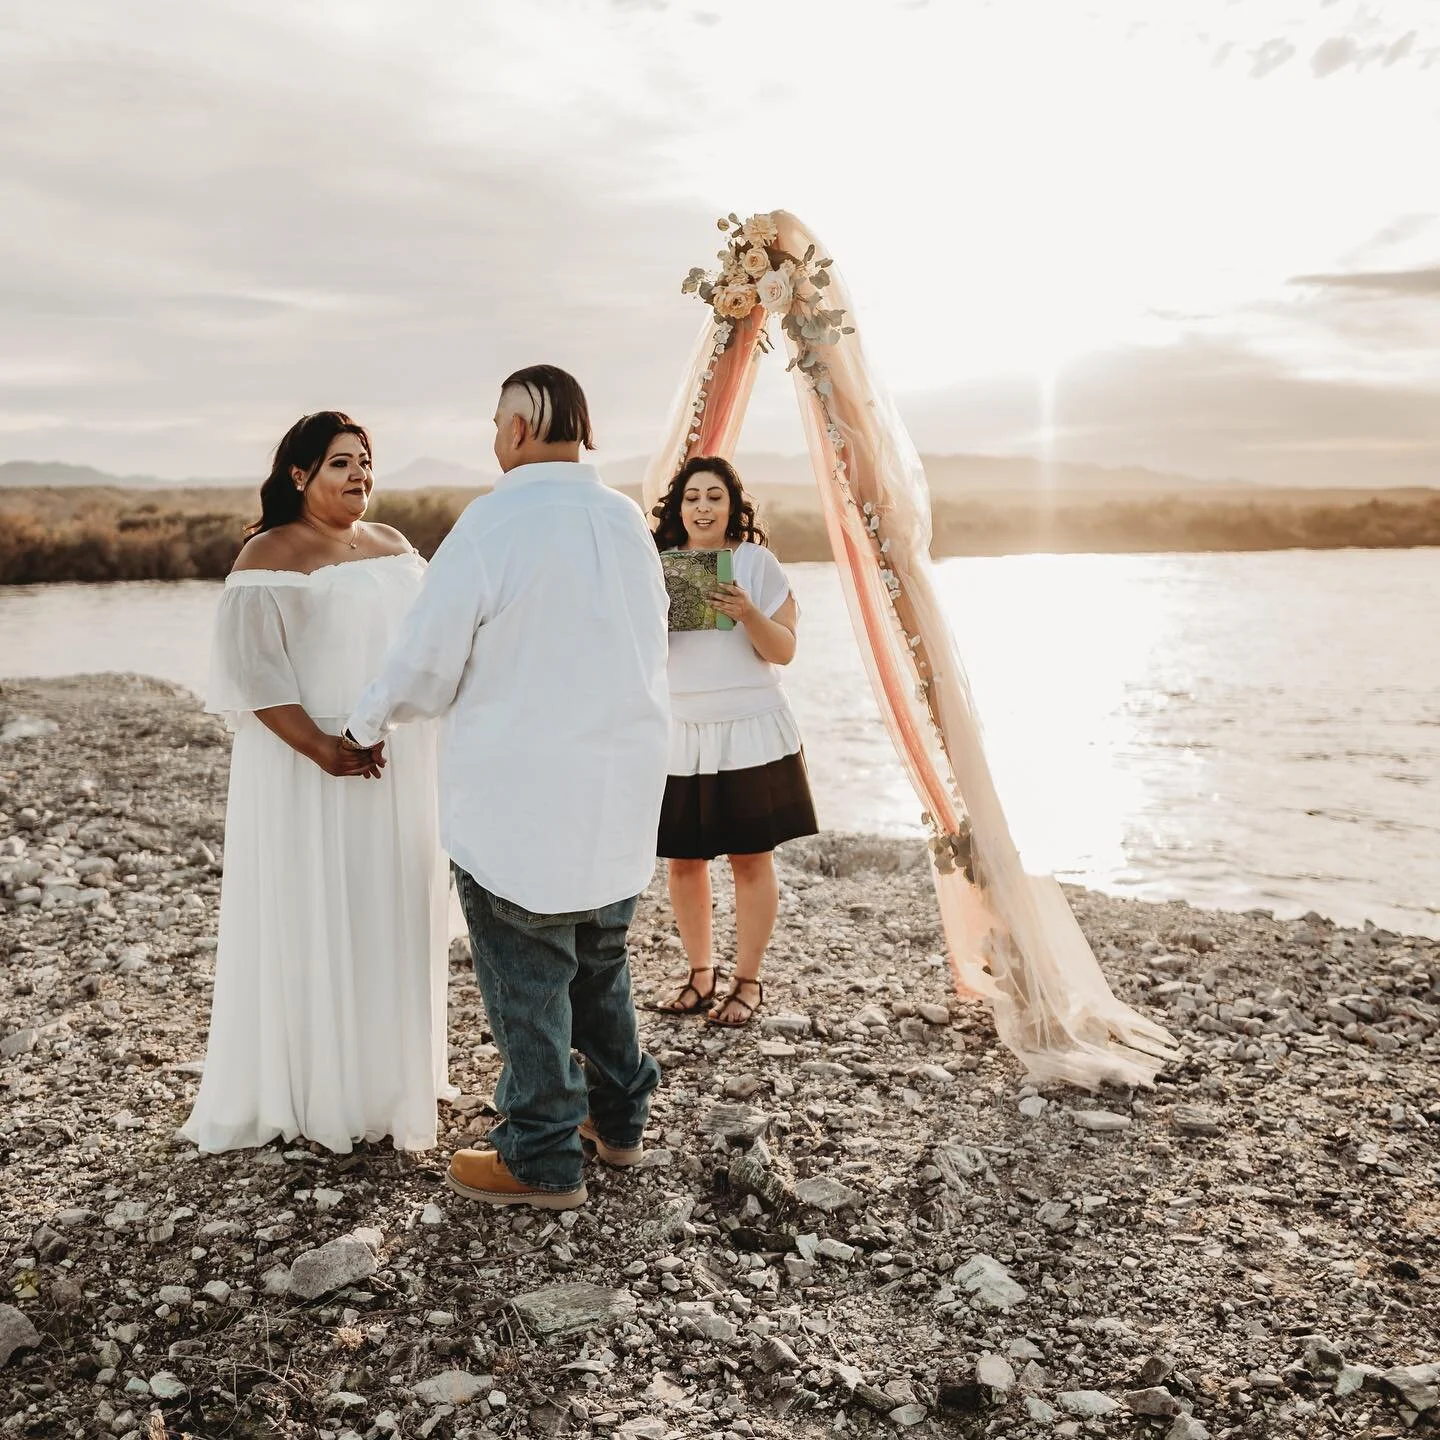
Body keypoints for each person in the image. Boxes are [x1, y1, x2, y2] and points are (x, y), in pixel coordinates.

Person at [345, 365, 670, 1211]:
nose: (494, 440)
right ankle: (620, 1119)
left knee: (526, 978)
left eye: (496, 424)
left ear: (521, 428)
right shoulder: (625, 519)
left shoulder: (495, 522)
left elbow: (425, 659)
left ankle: (540, 1154)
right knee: (600, 962)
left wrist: (366, 721)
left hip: (522, 793)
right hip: (620, 789)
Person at [180, 412, 454, 1154]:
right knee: (317, 907)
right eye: (340, 463)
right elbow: (253, 672)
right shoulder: (269, 553)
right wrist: (317, 746)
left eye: (365, 460)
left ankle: (388, 1079)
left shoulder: (396, 546)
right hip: (308, 763)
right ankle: (313, 1088)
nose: (359, 474)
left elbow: (434, 641)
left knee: (386, 905)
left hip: (393, 765)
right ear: (298, 475)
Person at [648, 456, 819, 1026]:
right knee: (682, 862)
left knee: (750, 858)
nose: (702, 507)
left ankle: (748, 982)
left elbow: (784, 652)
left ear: (732, 506)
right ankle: (700, 974)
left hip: (749, 728)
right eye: (692, 497)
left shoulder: (757, 563)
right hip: (680, 730)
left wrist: (747, 612)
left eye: (714, 497)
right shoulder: (654, 567)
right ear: (678, 507)